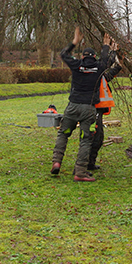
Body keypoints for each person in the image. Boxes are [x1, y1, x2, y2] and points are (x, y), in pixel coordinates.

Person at [51, 27, 110, 182]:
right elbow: (107, 61)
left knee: (63, 133)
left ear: (83, 56)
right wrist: (106, 45)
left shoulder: (77, 65)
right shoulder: (98, 67)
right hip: (88, 109)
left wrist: (74, 42)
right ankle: (80, 172)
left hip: (72, 107)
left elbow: (63, 55)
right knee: (85, 139)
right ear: (94, 56)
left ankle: (57, 161)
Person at [88, 43, 122, 171]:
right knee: (93, 137)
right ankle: (86, 163)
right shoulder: (93, 74)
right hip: (92, 110)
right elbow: (105, 64)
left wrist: (119, 64)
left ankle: (90, 162)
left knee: (98, 138)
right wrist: (111, 51)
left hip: (99, 110)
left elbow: (110, 72)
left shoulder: (101, 77)